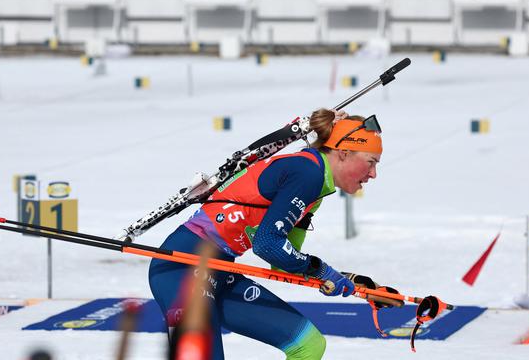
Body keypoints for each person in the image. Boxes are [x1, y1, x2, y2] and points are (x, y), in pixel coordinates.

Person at [149, 108, 383, 360]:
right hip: (183, 266)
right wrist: (319, 270)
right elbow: (267, 244)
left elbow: (280, 263)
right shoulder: (307, 173)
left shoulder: (315, 189)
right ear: (344, 153)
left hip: (218, 270)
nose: (373, 174)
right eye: (371, 162)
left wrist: (344, 280)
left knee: (308, 344)